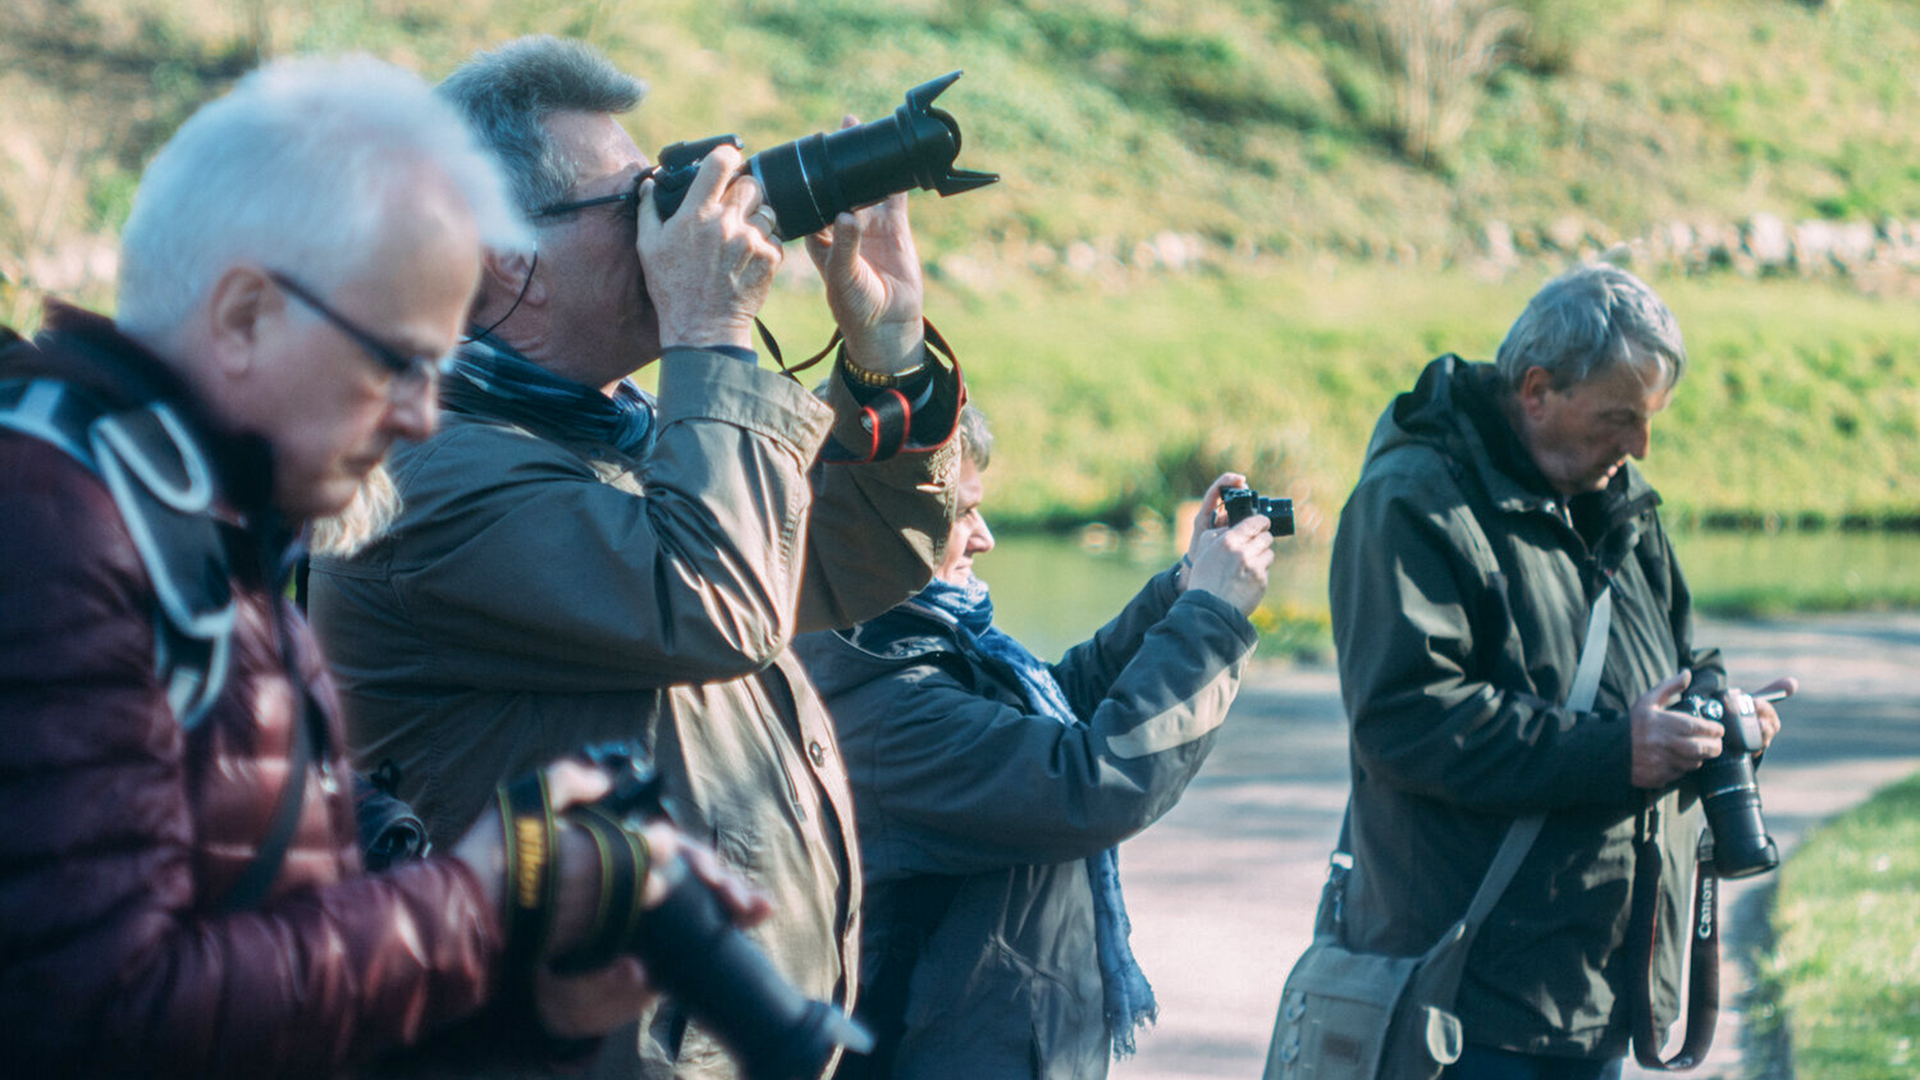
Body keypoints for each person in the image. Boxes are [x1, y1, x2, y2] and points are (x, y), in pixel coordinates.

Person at [0, 56, 765, 1079]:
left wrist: (526, 1003)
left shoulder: (217, 547)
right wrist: (482, 902)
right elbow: (101, 1010)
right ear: (245, 317)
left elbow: (280, 971)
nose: (417, 414)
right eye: (395, 360)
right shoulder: (66, 538)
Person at [305, 35, 963, 1080]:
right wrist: (712, 327)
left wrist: (890, 355)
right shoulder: (421, 484)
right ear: (502, 259)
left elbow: (854, 558)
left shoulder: (606, 433)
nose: (674, 222)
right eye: (633, 201)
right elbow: (718, 603)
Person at [1322, 262, 1797, 1079]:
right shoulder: (1411, 502)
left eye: (1648, 420)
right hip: (1466, 1002)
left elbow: (1681, 658)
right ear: (1537, 390)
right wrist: (1618, 751)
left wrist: (1721, 712)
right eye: (1621, 418)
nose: (1641, 445)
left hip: (1595, 990)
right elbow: (1406, 719)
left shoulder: (1615, 495)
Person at [792, 405, 1277, 1080]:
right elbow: (1091, 781)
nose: (985, 537)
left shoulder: (904, 647)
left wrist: (1182, 589)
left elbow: (1057, 708)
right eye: (961, 515)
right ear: (880, 529)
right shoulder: (892, 710)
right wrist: (1211, 618)